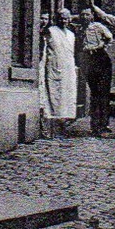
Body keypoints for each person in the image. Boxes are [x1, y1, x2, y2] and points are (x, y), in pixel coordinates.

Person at [38, 9, 79, 139]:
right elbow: (44, 50)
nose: (64, 21)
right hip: (54, 67)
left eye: (66, 18)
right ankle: (51, 128)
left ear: (69, 20)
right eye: (61, 18)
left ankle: (63, 126)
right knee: (53, 96)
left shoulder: (71, 35)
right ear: (56, 18)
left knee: (66, 97)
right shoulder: (50, 31)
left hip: (68, 69)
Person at [77, 9, 115, 135]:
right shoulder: (79, 29)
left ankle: (104, 124)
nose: (85, 16)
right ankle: (94, 125)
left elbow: (109, 37)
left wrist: (101, 46)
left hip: (100, 58)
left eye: (87, 14)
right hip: (88, 59)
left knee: (103, 92)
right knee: (94, 93)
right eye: (82, 14)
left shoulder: (98, 27)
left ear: (92, 16)